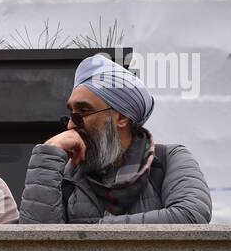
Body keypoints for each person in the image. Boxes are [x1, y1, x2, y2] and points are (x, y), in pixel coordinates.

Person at [18, 54, 212, 224]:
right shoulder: (67, 174)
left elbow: (191, 216)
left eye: (83, 111)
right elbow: (36, 241)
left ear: (121, 117)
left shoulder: (169, 159)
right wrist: (49, 151)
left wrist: (90, 232)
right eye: (71, 114)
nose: (70, 126)